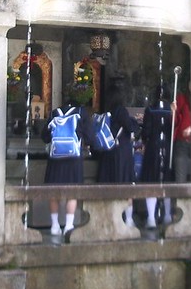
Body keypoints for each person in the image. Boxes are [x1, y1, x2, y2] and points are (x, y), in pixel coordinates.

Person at [42, 94, 92, 238]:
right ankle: (69, 225)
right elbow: (89, 136)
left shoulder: (54, 113)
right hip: (73, 159)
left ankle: (54, 225)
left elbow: (45, 137)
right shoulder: (81, 113)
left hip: (55, 158)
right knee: (72, 192)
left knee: (53, 192)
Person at [96, 82, 141, 227]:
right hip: (121, 153)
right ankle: (127, 218)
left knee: (110, 185)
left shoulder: (107, 111)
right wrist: (136, 122)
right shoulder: (121, 111)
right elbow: (130, 127)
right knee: (126, 184)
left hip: (108, 153)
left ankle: (109, 215)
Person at [140, 85, 174, 228]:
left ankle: (151, 218)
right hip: (168, 147)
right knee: (166, 179)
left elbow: (146, 131)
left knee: (151, 180)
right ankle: (167, 215)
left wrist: (143, 140)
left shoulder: (150, 109)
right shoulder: (171, 110)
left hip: (153, 147)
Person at [171, 81, 191, 185]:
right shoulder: (182, 98)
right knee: (180, 180)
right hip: (182, 144)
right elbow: (174, 123)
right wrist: (173, 112)